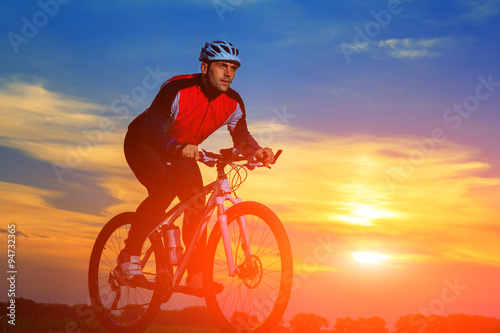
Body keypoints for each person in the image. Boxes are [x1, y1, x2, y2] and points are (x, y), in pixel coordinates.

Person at [114, 40, 275, 293]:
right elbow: (151, 129)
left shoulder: (233, 102)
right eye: (222, 66)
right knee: (163, 190)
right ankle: (128, 258)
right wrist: (176, 147)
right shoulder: (177, 88)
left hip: (183, 151)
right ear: (204, 67)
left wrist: (257, 151)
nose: (228, 73)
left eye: (233, 67)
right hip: (144, 141)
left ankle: (197, 275)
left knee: (197, 206)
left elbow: (241, 136)